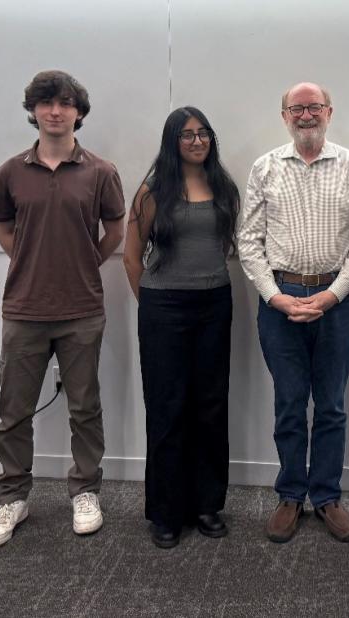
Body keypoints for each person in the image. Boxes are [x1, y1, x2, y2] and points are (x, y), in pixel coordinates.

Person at [0, 70, 125, 547]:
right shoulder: (11, 172)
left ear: (78, 112)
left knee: (85, 408)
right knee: (13, 412)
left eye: (65, 103)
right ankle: (12, 498)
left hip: (82, 309)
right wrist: (29, 264)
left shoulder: (101, 172)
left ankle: (85, 491)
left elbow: (116, 231)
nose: (55, 111)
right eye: (46, 103)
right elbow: (4, 229)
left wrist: (83, 263)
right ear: (35, 112)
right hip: (23, 310)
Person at [238, 82, 349, 543]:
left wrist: (332, 295)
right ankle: (290, 495)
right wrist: (274, 296)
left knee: (333, 405)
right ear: (284, 116)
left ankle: (327, 497)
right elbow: (249, 241)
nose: (305, 115)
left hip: (336, 302)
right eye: (296, 108)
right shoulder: (265, 168)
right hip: (279, 301)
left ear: (329, 112)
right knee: (290, 403)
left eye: (313, 107)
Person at [123, 107, 240, 549]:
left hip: (214, 304)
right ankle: (167, 512)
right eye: (187, 135)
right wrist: (153, 305)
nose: (197, 141)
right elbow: (132, 258)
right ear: (172, 141)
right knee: (168, 409)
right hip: (164, 309)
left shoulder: (223, 187)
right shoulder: (153, 190)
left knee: (211, 406)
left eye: (203, 133)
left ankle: (207, 505)